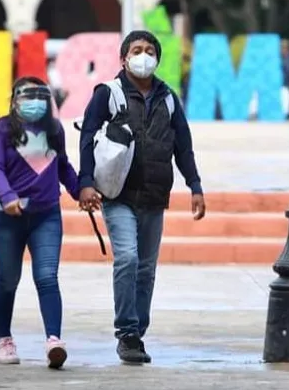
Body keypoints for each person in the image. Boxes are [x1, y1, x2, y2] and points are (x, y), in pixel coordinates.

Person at [77, 30, 206, 364]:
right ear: (123, 58)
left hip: (154, 195)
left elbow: (184, 146)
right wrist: (85, 182)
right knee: (129, 259)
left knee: (146, 269)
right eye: (137, 50)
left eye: (150, 50)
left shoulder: (169, 99)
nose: (143, 55)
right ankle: (127, 332)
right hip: (118, 194)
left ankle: (137, 331)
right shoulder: (109, 93)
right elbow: (88, 136)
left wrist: (195, 185)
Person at [0, 76, 80, 368]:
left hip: (46, 215)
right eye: (28, 96)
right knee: (8, 279)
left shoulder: (54, 129)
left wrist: (81, 191)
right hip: (6, 217)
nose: (35, 102)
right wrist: (7, 195)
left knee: (48, 277)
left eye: (41, 96)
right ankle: (4, 339)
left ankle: (54, 341)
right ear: (14, 100)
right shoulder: (1, 131)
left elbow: (62, 164)